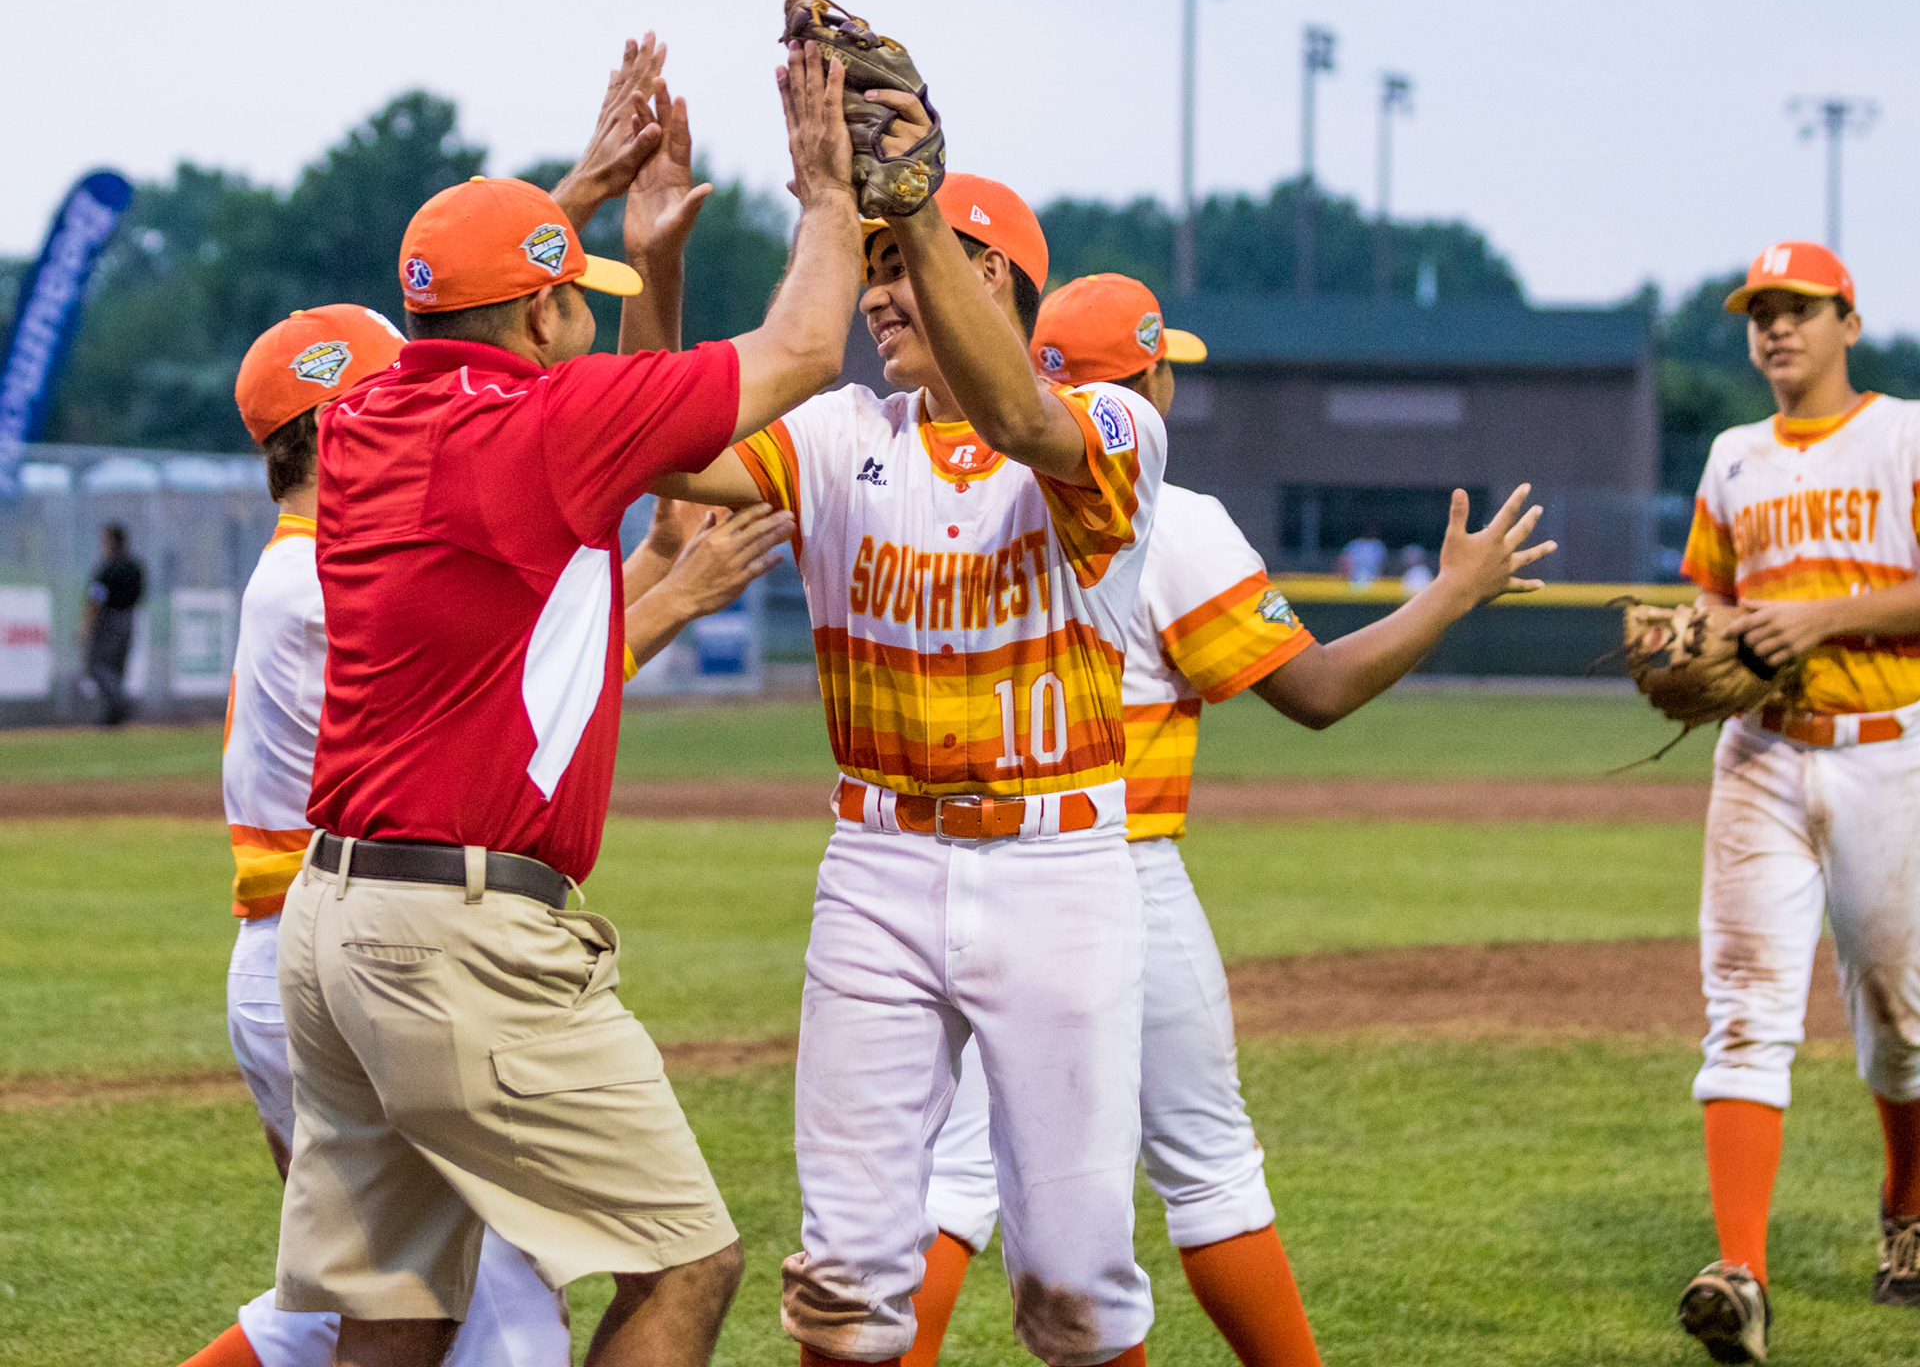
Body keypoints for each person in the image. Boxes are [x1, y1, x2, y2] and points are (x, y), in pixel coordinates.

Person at [272, 39, 860, 1367]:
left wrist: (578, 211)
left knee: (395, 1313)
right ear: (538, 319)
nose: (584, 316)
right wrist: (827, 195)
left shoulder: (364, 420)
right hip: (456, 941)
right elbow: (806, 344)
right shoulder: (542, 430)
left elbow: (468, 311)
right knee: (681, 1263)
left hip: (333, 922)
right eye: (571, 295)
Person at [905, 271, 1553, 1367]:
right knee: (1207, 1169)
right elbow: (1314, 693)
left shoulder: (971, 498)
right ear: (1149, 382)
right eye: (1167, 373)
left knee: (956, 1180)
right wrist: (1450, 593)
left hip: (963, 869)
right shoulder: (1172, 518)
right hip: (1118, 872)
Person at [655, 168, 1167, 1367]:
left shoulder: (1113, 424)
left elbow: (1025, 426)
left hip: (1060, 867)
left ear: (988, 275)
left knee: (1078, 1280)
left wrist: (914, 205)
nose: (876, 295)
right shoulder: (840, 436)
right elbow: (664, 451)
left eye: (899, 265)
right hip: (877, 866)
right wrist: (661, 267)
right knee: (843, 1272)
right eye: (872, 266)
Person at [1672, 241, 1920, 1362]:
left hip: (1891, 752)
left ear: (1848, 321)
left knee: (1903, 1023)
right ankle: (1742, 1274)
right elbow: (1708, 602)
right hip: (1761, 756)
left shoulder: (1905, 434)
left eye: (1799, 310)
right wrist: (1691, 650)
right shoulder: (1732, 457)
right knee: (1747, 1012)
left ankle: (1907, 1212)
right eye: (1760, 313)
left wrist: (1821, 620)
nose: (1776, 329)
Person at [82, 522, 144, 724]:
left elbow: (95, 600)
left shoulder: (106, 568)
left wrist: (87, 627)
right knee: (117, 668)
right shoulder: (134, 567)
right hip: (129, 619)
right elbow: (141, 594)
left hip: (109, 621)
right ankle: (113, 716)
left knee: (96, 666)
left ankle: (119, 702)